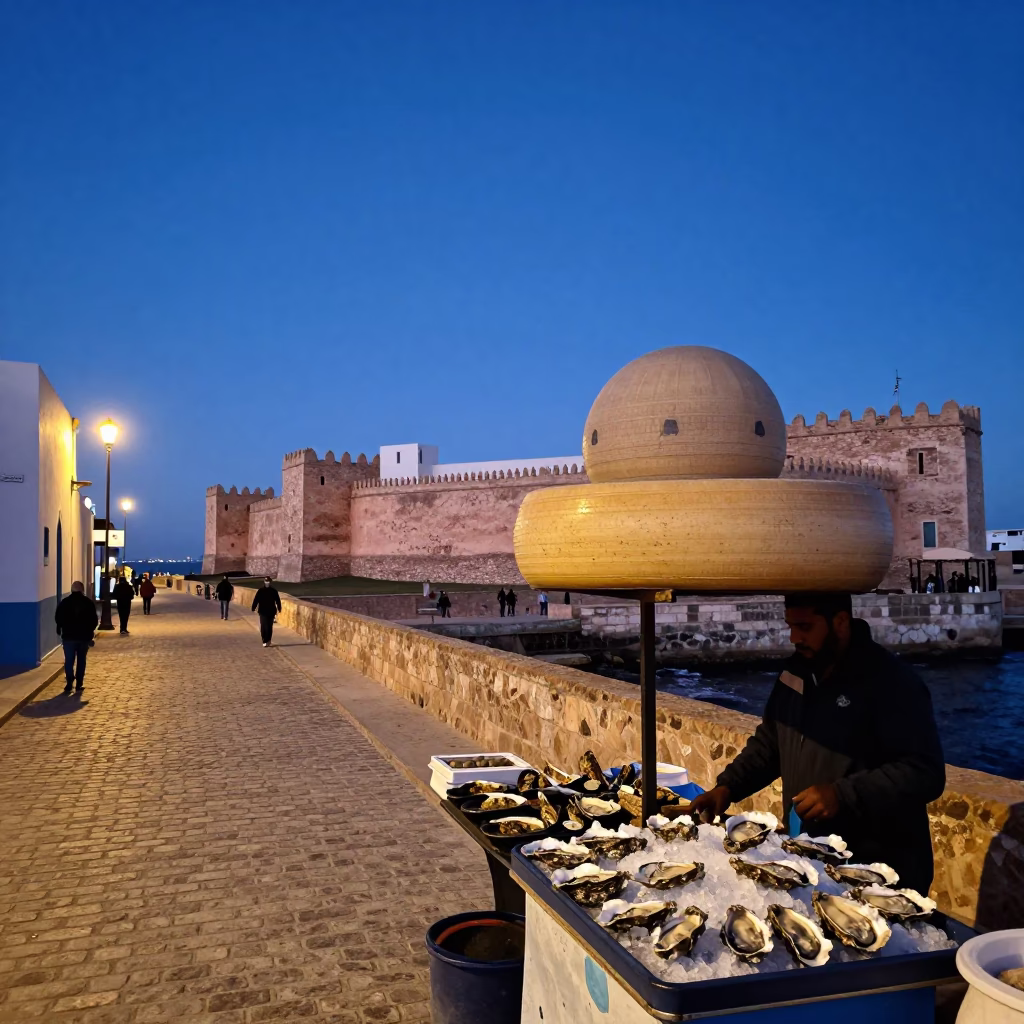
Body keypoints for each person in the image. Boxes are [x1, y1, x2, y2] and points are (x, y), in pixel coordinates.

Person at [686, 592, 945, 894]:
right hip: (811, 861)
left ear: (840, 622)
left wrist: (841, 795)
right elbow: (771, 742)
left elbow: (924, 772)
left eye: (805, 627)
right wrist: (728, 787)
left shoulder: (892, 682)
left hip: (878, 869)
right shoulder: (794, 672)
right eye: (791, 626)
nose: (795, 637)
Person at [54, 581, 98, 694]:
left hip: (68, 637)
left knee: (69, 660)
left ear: (72, 589)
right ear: (82, 590)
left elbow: (58, 618)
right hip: (84, 637)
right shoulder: (88, 603)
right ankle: (79, 683)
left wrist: (61, 628)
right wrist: (90, 631)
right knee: (81, 660)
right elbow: (94, 620)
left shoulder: (65, 602)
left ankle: (69, 682)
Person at [251, 576, 282, 646]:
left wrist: (279, 608)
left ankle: (268, 640)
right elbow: (256, 599)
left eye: (268, 581)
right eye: (266, 581)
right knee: (263, 625)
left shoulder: (273, 591)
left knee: (269, 626)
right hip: (262, 611)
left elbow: (277, 600)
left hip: (271, 611)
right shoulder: (261, 590)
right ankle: (264, 639)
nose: (267, 583)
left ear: (270, 582)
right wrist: (253, 607)